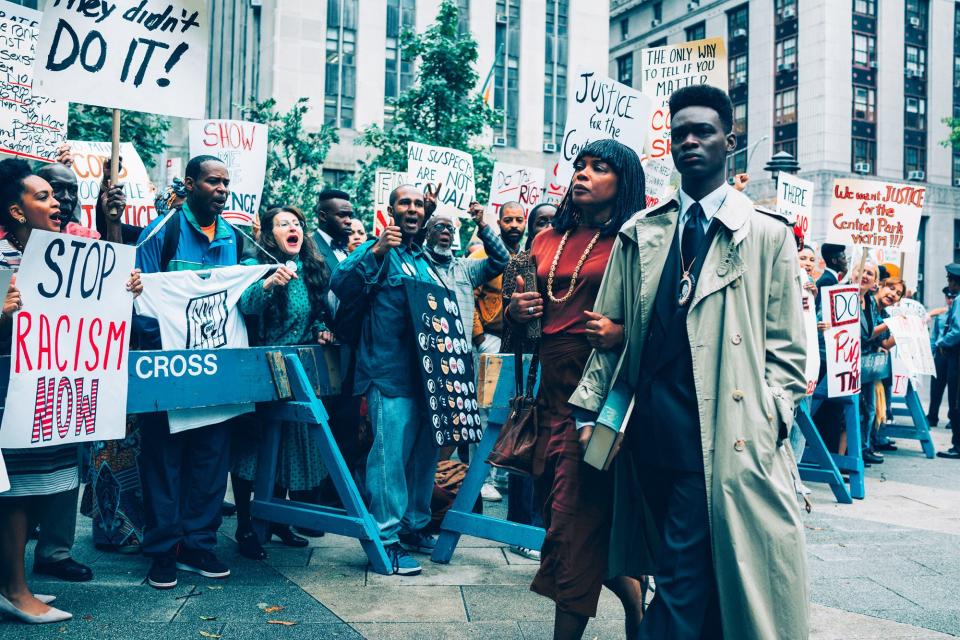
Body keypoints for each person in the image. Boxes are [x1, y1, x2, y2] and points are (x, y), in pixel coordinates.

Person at [568, 86, 809, 639]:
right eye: (680, 133)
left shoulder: (768, 235)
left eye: (703, 130)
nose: (690, 141)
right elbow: (607, 337)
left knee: (682, 573)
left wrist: (771, 415)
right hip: (645, 433)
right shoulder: (641, 232)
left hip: (725, 434)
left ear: (730, 140)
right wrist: (589, 418)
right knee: (677, 568)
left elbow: (788, 349)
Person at [506, 139, 647, 640]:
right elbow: (515, 322)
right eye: (580, 166)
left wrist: (621, 333)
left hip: (597, 398)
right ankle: (636, 607)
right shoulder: (546, 237)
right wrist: (517, 313)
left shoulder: (638, 239)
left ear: (623, 181)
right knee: (565, 524)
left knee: (570, 527)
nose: (583, 174)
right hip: (548, 394)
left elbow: (663, 317)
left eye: (599, 168)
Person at [0, 158, 140, 623]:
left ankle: (14, 583)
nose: (58, 203)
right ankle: (16, 592)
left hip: (51, 397)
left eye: (56, 195)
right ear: (16, 211)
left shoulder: (71, 255)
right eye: (43, 196)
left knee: (39, 488)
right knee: (16, 494)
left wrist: (124, 287)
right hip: (10, 398)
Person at [134, 155, 244, 589]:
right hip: (168, 369)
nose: (221, 189)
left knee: (210, 460)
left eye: (226, 183)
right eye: (212, 181)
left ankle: (199, 544)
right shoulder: (162, 232)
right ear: (190, 184)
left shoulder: (234, 237)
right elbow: (136, 297)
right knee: (163, 460)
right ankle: (163, 550)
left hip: (216, 370)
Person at [330, 184, 443, 576]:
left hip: (426, 379)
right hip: (387, 374)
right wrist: (377, 250)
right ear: (391, 209)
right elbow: (340, 284)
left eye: (418, 203)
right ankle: (386, 539)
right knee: (388, 462)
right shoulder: (378, 249)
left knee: (423, 459)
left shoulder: (424, 258)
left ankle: (413, 527)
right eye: (404, 203)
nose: (412, 209)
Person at [232, 206, 334, 559]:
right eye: (283, 224)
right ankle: (245, 524)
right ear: (268, 235)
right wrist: (268, 284)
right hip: (260, 368)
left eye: (297, 224)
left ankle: (276, 520)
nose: (293, 228)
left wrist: (322, 330)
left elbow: (319, 313)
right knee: (254, 449)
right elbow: (246, 307)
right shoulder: (255, 267)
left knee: (286, 445)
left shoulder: (313, 271)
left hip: (296, 369)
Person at [311, 189, 365, 514]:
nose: (348, 220)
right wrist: (319, 325)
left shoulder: (348, 251)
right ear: (323, 216)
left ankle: (334, 497)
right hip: (322, 348)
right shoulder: (311, 247)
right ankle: (315, 501)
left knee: (345, 424)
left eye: (350, 214)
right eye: (341, 215)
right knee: (322, 425)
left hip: (349, 349)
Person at [424, 205, 509, 347]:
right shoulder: (418, 264)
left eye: (450, 229)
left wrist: (481, 225)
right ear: (427, 234)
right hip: (429, 349)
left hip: (460, 353)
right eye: (439, 227)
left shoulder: (466, 268)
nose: (445, 231)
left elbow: (502, 259)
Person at [933, 263, 960, 459]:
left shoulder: (959, 301)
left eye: (950, 280)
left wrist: (942, 342)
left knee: (955, 401)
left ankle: (957, 445)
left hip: (956, 356)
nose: (949, 284)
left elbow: (957, 330)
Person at [927, 285, 957, 427]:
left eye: (953, 297)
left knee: (954, 388)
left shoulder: (957, 313)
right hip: (940, 354)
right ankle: (932, 416)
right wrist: (930, 352)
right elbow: (934, 335)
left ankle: (953, 418)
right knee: (936, 387)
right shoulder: (941, 314)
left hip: (953, 353)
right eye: (948, 297)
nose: (950, 300)